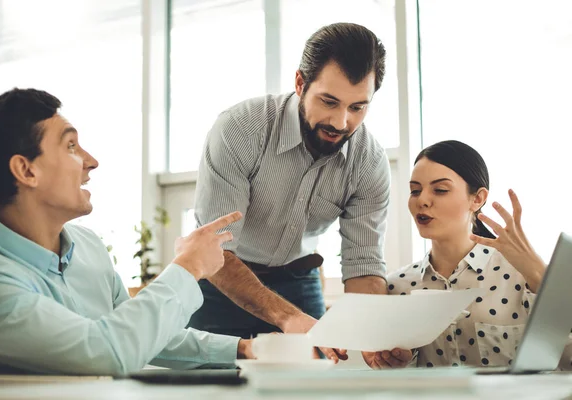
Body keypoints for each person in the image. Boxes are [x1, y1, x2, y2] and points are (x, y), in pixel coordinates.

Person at [0, 88, 253, 375]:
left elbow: (135, 330)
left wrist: (241, 349)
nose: (91, 161)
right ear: (26, 170)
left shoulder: (88, 246)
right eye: (70, 146)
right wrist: (188, 265)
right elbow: (103, 351)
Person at [188, 22, 390, 362]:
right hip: (220, 280)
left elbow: (364, 265)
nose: (341, 123)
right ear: (300, 83)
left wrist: (374, 337)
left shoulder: (368, 163)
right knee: (206, 385)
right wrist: (286, 318)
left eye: (357, 107)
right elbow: (215, 249)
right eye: (329, 101)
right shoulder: (241, 129)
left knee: (313, 386)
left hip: (298, 281)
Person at [367, 140, 571, 369]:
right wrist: (395, 362)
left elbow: (566, 361)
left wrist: (539, 275)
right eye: (415, 190)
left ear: (478, 199)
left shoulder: (520, 276)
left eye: (440, 190)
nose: (422, 200)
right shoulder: (398, 287)